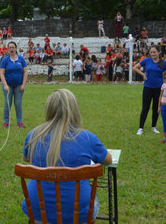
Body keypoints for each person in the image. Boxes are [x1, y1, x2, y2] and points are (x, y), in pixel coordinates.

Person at [21, 89, 112, 224]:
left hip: (37, 212)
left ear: (49, 110)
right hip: (79, 214)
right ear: (74, 110)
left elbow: (26, 158)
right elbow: (108, 159)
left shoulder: (34, 135)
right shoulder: (87, 138)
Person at [133, 45, 166, 135]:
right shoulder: (147, 60)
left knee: (156, 108)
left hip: (158, 88)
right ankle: (140, 128)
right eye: (151, 52)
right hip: (147, 87)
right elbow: (135, 67)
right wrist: (143, 74)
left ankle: (153, 127)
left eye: (154, 52)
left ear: (159, 52)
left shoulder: (163, 62)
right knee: (145, 108)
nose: (152, 54)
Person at [0, 41, 28, 128]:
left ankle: (20, 122)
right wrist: (5, 85)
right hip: (8, 85)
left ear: (16, 48)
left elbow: (25, 72)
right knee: (7, 104)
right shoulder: (5, 60)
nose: (11, 49)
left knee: (18, 104)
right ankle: (6, 122)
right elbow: (1, 73)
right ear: (8, 49)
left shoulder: (21, 59)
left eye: (13, 47)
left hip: (18, 85)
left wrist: (23, 84)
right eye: (10, 47)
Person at [158, 72, 166, 143]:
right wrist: (159, 107)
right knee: (164, 123)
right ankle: (164, 138)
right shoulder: (163, 85)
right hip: (163, 106)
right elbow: (160, 96)